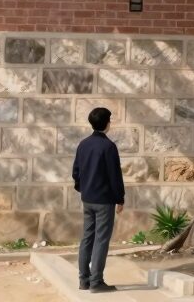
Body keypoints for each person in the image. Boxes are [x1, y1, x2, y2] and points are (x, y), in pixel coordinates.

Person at [72, 106, 125, 292]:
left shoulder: (83, 144)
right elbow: (114, 175)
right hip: (104, 201)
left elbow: (76, 172)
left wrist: (82, 188)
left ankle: (83, 280)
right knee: (101, 240)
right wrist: (120, 198)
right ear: (107, 123)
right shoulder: (109, 147)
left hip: (87, 199)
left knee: (87, 238)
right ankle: (96, 282)